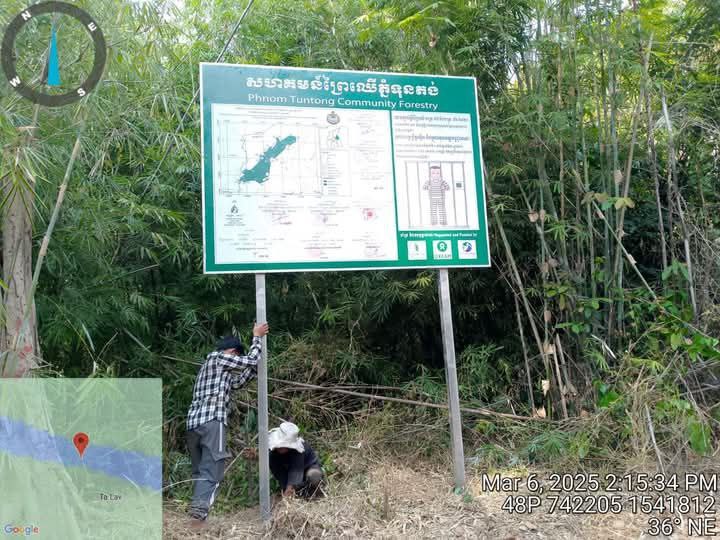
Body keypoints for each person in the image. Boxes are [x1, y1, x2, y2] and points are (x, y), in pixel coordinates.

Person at [186, 322, 270, 527]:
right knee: (212, 471)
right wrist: (256, 337)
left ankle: (196, 513)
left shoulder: (214, 370)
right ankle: (198, 516)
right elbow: (250, 359)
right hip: (212, 422)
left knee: (200, 471)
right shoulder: (218, 358)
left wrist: (255, 369)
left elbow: (238, 381)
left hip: (193, 425)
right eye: (236, 357)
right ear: (232, 352)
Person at [269, 422, 323, 498]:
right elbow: (277, 470)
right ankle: (295, 493)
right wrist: (285, 487)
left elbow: (296, 471)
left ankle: (316, 493)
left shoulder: (299, 451)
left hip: (308, 468)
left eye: (284, 446)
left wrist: (290, 488)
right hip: (287, 471)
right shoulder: (273, 452)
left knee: (314, 475)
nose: (281, 448)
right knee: (287, 487)